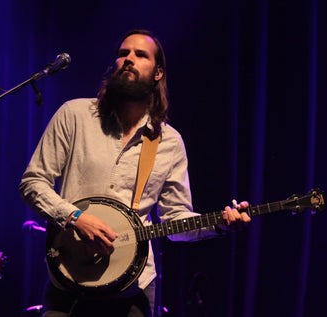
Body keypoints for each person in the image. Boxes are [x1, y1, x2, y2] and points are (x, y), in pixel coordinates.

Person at [19, 29, 251, 317]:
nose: (128, 59)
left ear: (158, 73)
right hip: (69, 283)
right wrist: (74, 217)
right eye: (122, 53)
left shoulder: (169, 142)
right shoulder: (73, 115)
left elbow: (176, 219)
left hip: (133, 290)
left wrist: (219, 224)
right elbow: (32, 182)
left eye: (140, 55)